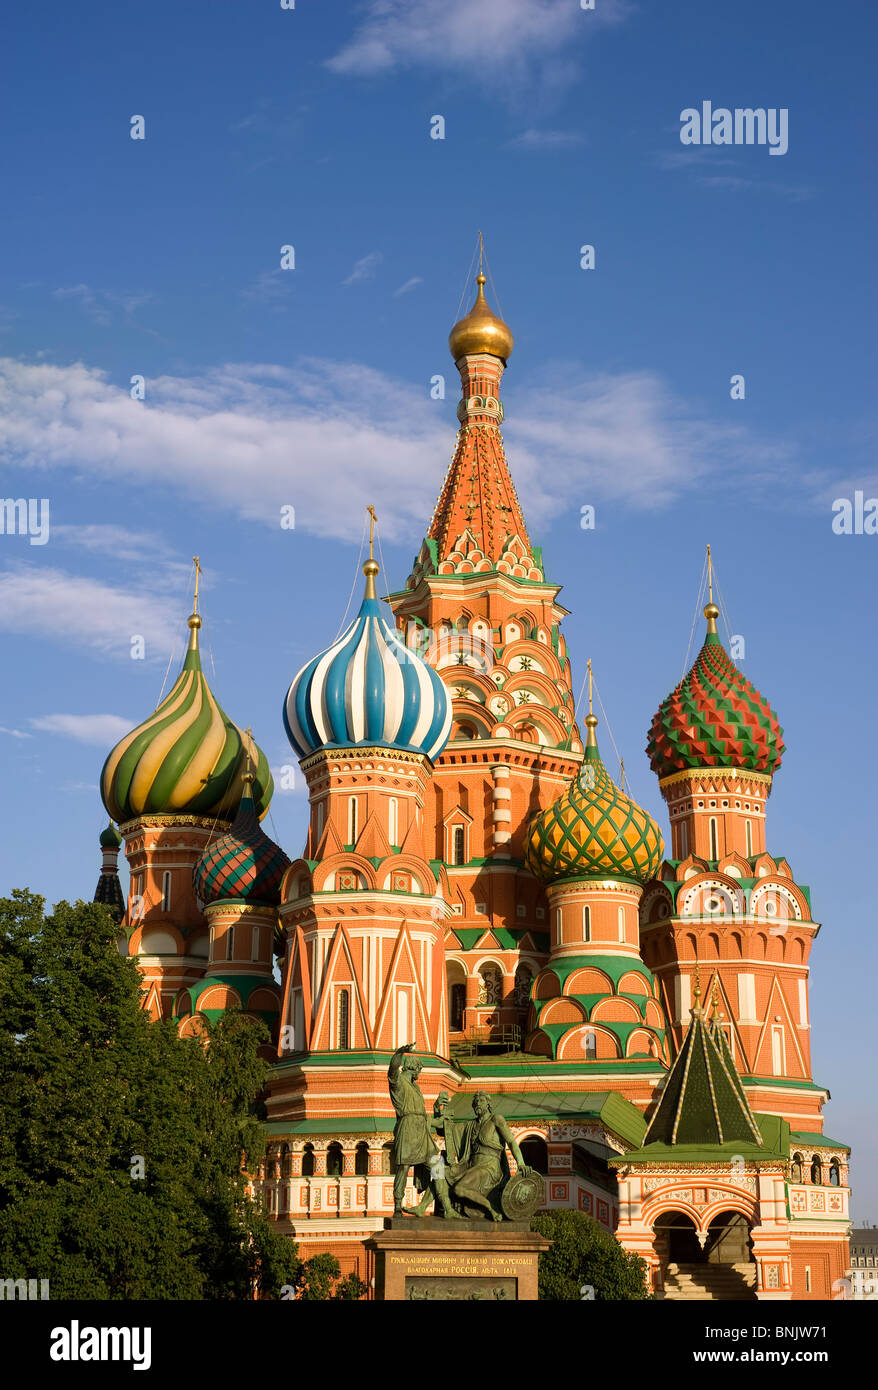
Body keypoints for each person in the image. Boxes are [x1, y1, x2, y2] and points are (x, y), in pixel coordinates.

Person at [388, 1043, 458, 1217]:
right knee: (404, 1167)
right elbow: (392, 1070)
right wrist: (399, 1053)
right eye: (420, 1069)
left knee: (437, 1165)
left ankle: (446, 1208)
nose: (420, 1073)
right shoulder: (399, 1083)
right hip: (408, 1129)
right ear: (414, 1067)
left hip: (422, 1132)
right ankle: (398, 1204)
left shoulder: (416, 1088)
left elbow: (423, 1116)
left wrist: (437, 1113)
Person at [446, 1091, 533, 1222]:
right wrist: (438, 1111)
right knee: (441, 1173)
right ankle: (433, 1208)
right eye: (475, 1102)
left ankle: (490, 1208)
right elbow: (449, 1129)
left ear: (488, 1103)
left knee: (459, 1189)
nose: (477, 1104)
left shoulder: (496, 1119)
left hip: (490, 1168)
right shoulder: (471, 1125)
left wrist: (520, 1163)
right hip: (471, 1166)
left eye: (481, 1101)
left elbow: (511, 1142)